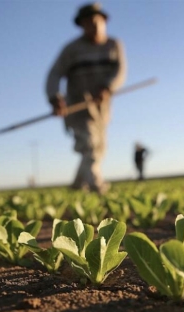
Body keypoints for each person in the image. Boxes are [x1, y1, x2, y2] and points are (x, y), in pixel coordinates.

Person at [46, 3, 127, 194]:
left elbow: (120, 71)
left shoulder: (114, 45)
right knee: (89, 145)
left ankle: (76, 186)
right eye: (89, 23)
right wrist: (54, 97)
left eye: (97, 21)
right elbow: (54, 74)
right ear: (81, 25)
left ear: (104, 22)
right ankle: (97, 186)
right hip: (78, 107)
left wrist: (108, 87)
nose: (94, 26)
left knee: (99, 148)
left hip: (102, 109)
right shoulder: (71, 50)